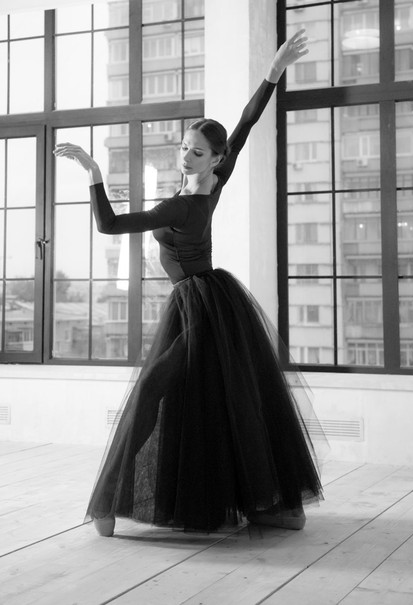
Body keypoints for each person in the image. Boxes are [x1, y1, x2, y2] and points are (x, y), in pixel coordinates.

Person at [54, 29, 324, 537]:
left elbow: (109, 225)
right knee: (220, 399)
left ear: (214, 159)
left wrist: (92, 171)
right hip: (208, 302)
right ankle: (262, 502)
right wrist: (273, 71)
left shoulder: (182, 205)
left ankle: (110, 500)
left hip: (199, 306)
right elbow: (246, 123)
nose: (186, 157)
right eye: (184, 147)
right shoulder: (215, 182)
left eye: (197, 153)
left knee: (152, 391)